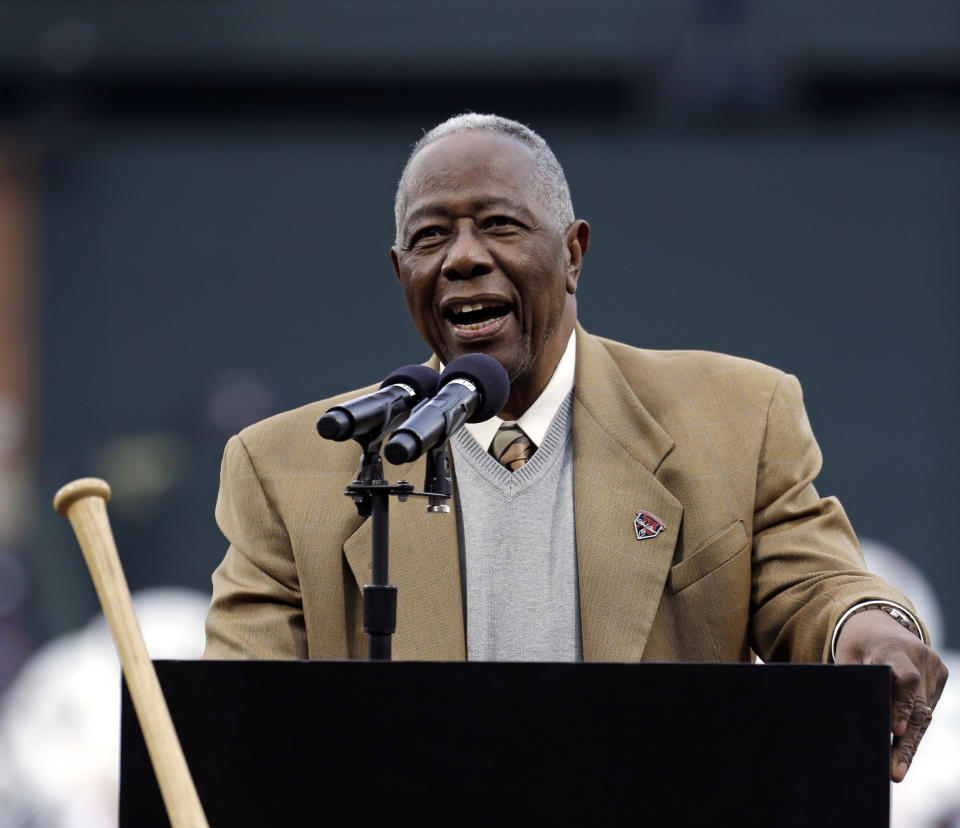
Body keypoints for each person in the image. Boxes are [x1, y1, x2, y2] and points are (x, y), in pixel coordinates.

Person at [204, 112, 947, 782]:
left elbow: (812, 585)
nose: (463, 257)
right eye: (431, 236)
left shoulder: (737, 415)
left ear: (573, 253)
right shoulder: (288, 467)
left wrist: (868, 625)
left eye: (499, 224)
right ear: (403, 276)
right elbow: (228, 732)